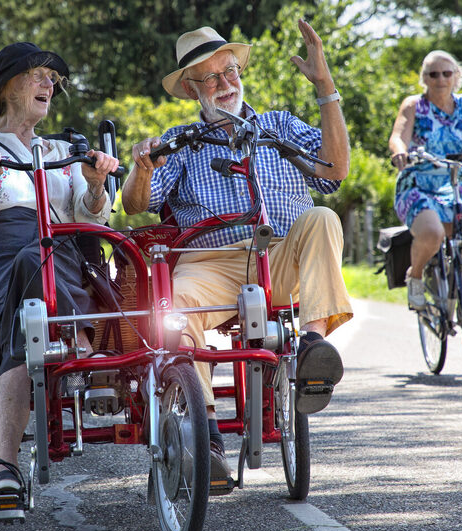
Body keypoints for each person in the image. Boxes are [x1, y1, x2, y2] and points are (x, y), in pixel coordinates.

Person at [122, 20, 351, 489]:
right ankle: (203, 442)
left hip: (279, 256)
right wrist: (141, 167)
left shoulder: (279, 125)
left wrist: (325, 85)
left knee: (324, 216)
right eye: (210, 78)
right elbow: (134, 206)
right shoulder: (180, 141)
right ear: (190, 88)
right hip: (212, 264)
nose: (224, 84)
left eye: (228, 71)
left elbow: (336, 169)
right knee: (174, 311)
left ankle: (310, 346)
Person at [0, 42, 120, 511]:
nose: (50, 85)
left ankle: (3, 471)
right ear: (8, 87)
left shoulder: (63, 149)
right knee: (29, 261)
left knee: (39, 261)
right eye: (38, 75)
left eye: (52, 78)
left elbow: (95, 219)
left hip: (56, 253)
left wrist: (98, 182)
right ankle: (83, 347)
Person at [386, 50, 462, 309]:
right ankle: (416, 276)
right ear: (425, 79)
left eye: (446, 73)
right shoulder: (413, 105)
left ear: (456, 76)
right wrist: (400, 153)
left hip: (457, 183)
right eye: (433, 74)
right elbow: (398, 136)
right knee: (432, 233)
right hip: (418, 183)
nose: (440, 78)